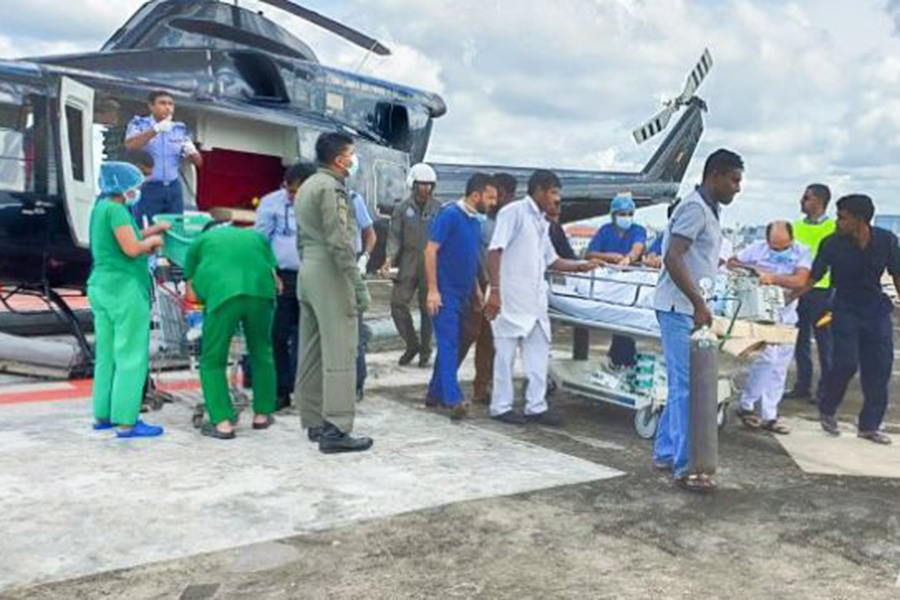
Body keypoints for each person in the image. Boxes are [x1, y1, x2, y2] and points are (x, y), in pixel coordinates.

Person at [652, 148, 744, 492]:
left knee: (682, 385)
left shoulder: (709, 209)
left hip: (686, 307)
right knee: (687, 388)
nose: (737, 188)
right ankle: (687, 466)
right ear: (715, 175)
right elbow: (672, 257)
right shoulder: (694, 208)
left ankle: (665, 452)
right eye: (734, 180)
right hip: (679, 309)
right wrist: (697, 303)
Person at [486, 170, 596, 426]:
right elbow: (495, 251)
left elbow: (552, 260)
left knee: (538, 354)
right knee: (504, 356)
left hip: (534, 302)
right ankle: (500, 406)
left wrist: (581, 265)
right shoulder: (513, 213)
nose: (557, 200)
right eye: (554, 193)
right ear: (539, 191)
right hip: (509, 298)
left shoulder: (542, 223)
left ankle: (536, 406)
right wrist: (495, 291)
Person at [800, 194, 900, 445]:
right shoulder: (831, 244)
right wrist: (789, 300)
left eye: (842, 218)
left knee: (879, 367)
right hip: (843, 308)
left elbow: (897, 275)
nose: (837, 222)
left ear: (859, 220)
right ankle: (828, 408)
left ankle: (869, 426)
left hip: (875, 309)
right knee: (845, 362)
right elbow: (812, 278)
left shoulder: (886, 241)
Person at [296, 132, 373, 453]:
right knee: (341, 350)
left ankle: (314, 421)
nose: (353, 160)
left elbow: (302, 239)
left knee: (311, 351)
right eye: (351, 154)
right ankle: (336, 428)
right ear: (340, 159)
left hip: (308, 270)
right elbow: (339, 241)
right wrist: (356, 283)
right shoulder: (331, 189)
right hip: (330, 271)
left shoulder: (307, 186)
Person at [88, 162, 168, 438]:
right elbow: (132, 248)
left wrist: (152, 229)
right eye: (135, 186)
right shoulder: (119, 210)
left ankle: (103, 416)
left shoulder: (101, 209)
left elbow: (124, 239)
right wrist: (154, 243)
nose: (137, 190)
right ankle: (127, 422)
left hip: (101, 286)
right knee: (131, 355)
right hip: (124, 289)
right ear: (123, 187)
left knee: (107, 355)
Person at [183, 223, 280, 439]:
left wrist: (206, 294)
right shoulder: (255, 237)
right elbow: (276, 279)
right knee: (262, 353)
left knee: (212, 360)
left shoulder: (198, 243)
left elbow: (190, 295)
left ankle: (223, 424)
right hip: (261, 294)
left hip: (224, 296)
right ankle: (262, 415)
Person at [424, 174, 498, 420]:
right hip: (445, 292)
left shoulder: (475, 222)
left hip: (466, 292)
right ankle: (452, 399)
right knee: (449, 343)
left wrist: (477, 290)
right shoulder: (449, 215)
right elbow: (430, 251)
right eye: (490, 197)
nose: (493, 202)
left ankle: (434, 393)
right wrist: (433, 290)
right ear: (475, 195)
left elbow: (471, 259)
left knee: (454, 343)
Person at [728, 221, 811, 434]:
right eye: (774, 247)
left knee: (779, 367)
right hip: (759, 312)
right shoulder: (757, 248)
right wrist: (754, 271)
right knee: (767, 358)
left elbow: (801, 280)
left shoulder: (802, 251)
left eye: (783, 247)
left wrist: (774, 278)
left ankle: (769, 415)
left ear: (791, 240)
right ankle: (747, 404)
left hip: (786, 312)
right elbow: (732, 263)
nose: (778, 251)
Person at [255, 162, 317, 410]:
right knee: (278, 336)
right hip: (282, 278)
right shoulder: (271, 203)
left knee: (309, 338)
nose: (292, 196)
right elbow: (260, 242)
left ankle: (307, 391)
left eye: (297, 192)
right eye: (289, 190)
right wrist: (271, 273)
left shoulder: (320, 204)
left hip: (313, 277)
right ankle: (281, 390)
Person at [459, 172, 518, 405]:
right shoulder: (481, 223)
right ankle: (442, 383)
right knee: (466, 336)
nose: (499, 201)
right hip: (478, 286)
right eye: (496, 195)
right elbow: (472, 256)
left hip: (498, 288)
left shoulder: (510, 223)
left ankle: (481, 388)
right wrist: (478, 287)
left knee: (490, 341)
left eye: (503, 196)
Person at [381, 163, 441, 367]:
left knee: (429, 310)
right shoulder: (402, 209)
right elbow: (394, 236)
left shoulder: (439, 208)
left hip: (431, 264)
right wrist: (389, 258)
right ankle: (411, 344)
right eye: (422, 184)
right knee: (397, 304)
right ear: (413, 185)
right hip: (408, 261)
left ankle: (425, 352)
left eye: (429, 185)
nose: (426, 189)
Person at [783, 184, 835, 404]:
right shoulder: (795, 228)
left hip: (825, 294)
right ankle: (803, 386)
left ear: (820, 202)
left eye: (807, 198)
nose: (801, 201)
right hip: (799, 293)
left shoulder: (834, 228)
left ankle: (827, 390)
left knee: (826, 342)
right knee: (800, 340)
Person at [586, 193, 647, 369]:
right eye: (622, 214)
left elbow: (638, 247)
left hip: (630, 280)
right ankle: (619, 358)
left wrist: (627, 259)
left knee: (625, 323)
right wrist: (609, 257)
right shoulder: (605, 231)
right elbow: (589, 254)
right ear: (613, 215)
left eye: (629, 214)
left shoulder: (637, 230)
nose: (626, 218)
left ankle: (623, 359)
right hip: (607, 281)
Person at [125, 90, 203, 226]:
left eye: (171, 104)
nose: (168, 107)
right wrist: (155, 129)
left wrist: (191, 152)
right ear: (151, 106)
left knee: (174, 229)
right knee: (145, 228)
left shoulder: (179, 129)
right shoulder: (139, 124)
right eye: (162, 103)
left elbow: (199, 163)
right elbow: (130, 145)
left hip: (173, 188)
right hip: (148, 187)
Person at [350, 190, 377, 401]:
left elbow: (370, 233)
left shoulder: (353, 199)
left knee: (355, 330)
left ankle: (357, 382)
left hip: (351, 265)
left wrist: (364, 258)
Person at [545, 193, 576, 259]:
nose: (555, 208)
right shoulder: (534, 229)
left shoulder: (556, 229)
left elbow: (568, 255)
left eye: (557, 204)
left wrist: (583, 264)